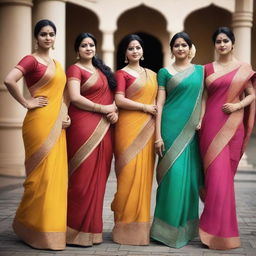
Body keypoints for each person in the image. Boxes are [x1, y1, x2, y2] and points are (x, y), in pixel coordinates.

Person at [4, 19, 69, 250]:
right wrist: (25, 102)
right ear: (36, 37)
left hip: (57, 123)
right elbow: (9, 80)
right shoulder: (30, 59)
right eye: (43, 34)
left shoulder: (57, 63)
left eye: (51, 34)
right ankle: (30, 226)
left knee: (55, 177)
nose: (48, 38)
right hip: (39, 122)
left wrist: (65, 114)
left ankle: (47, 228)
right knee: (40, 178)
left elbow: (61, 94)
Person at [198, 27, 256, 250]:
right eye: (218, 41)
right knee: (215, 179)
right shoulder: (207, 69)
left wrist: (236, 106)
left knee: (224, 179)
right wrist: (201, 120)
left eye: (225, 41)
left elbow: (252, 95)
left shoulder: (243, 68)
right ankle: (211, 231)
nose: (222, 44)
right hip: (211, 126)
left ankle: (223, 233)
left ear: (232, 43)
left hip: (233, 126)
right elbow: (203, 97)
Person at [151, 32, 204, 248]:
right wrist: (158, 135)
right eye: (176, 45)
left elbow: (206, 98)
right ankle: (163, 231)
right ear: (171, 49)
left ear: (190, 47)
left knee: (189, 180)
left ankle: (186, 229)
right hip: (169, 130)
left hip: (191, 130)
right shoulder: (164, 72)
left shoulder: (201, 71)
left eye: (184, 45)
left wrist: (200, 119)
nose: (180, 48)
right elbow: (160, 104)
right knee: (171, 179)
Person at [66, 32, 117, 246]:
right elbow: (75, 98)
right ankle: (72, 230)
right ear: (77, 49)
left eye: (91, 45)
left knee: (99, 179)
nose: (88, 48)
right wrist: (103, 108)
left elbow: (113, 98)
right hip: (82, 126)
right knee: (81, 180)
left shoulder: (102, 71)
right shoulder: (75, 69)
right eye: (84, 45)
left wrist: (115, 112)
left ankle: (92, 231)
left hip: (106, 129)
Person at [111, 34, 157, 245]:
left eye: (138, 48)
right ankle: (123, 227)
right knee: (128, 176)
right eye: (131, 48)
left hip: (148, 130)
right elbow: (119, 99)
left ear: (143, 52)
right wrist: (144, 107)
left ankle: (139, 230)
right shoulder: (121, 74)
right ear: (125, 53)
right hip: (127, 129)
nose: (135, 51)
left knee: (144, 178)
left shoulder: (153, 75)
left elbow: (159, 101)